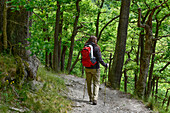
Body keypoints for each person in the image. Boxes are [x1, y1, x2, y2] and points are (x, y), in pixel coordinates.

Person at [84, 36, 108, 105]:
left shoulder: (85, 46)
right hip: (95, 68)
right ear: (95, 40)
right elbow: (100, 59)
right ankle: (95, 99)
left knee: (89, 83)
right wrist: (105, 65)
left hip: (87, 67)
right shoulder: (96, 48)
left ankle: (90, 98)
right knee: (96, 83)